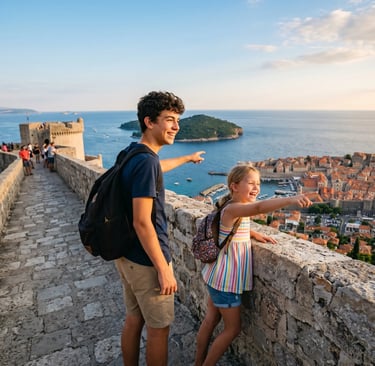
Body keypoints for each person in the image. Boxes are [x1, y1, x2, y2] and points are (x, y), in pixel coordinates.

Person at [114, 91, 205, 366]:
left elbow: (156, 168)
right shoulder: (146, 161)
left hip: (126, 255)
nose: (176, 126)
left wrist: (187, 158)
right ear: (149, 121)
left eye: (177, 120)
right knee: (159, 330)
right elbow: (142, 222)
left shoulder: (133, 153)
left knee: (134, 319)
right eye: (169, 119)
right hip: (146, 262)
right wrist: (164, 269)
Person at [194, 164, 312, 366]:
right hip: (226, 282)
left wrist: (254, 233)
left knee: (211, 320)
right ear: (234, 186)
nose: (257, 187)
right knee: (232, 329)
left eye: (259, 183)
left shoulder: (230, 207)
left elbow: (231, 230)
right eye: (251, 183)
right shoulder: (233, 208)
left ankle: (197, 363)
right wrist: (291, 199)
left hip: (215, 275)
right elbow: (257, 208)